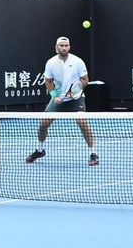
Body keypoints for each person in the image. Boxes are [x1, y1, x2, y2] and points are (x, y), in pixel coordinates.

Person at [25, 37, 99, 166]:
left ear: (69, 47)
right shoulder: (51, 63)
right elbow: (47, 81)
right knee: (43, 124)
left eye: (66, 45)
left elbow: (85, 80)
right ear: (56, 47)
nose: (64, 48)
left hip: (76, 98)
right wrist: (54, 95)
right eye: (61, 45)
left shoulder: (78, 62)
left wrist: (75, 91)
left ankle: (93, 153)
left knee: (82, 122)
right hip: (58, 99)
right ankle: (40, 150)